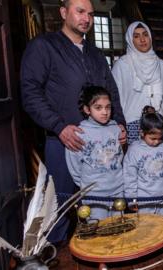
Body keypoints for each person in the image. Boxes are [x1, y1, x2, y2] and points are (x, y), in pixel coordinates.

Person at [20, 0, 126, 243]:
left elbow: (111, 91)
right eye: (80, 11)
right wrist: (59, 126)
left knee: (105, 207)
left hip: (102, 146)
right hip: (64, 142)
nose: (86, 18)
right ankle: (55, 257)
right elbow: (30, 92)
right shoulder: (44, 46)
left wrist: (118, 122)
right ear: (63, 12)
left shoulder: (95, 53)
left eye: (90, 13)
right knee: (58, 209)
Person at [112, 21, 163, 144]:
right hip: (132, 126)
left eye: (145, 34)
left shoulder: (162, 65)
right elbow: (116, 99)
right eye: (136, 36)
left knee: (159, 163)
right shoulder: (122, 65)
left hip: (160, 124)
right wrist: (118, 127)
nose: (142, 40)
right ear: (130, 40)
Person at [65, 86, 124, 220]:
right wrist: (86, 187)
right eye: (98, 108)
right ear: (87, 109)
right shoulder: (79, 133)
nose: (104, 112)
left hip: (117, 189)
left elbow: (119, 156)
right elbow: (74, 165)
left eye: (108, 107)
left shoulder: (115, 128)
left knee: (119, 227)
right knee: (97, 231)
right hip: (93, 194)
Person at [123, 106, 163, 216]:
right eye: (153, 138)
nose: (157, 142)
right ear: (142, 133)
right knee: (146, 227)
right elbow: (129, 177)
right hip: (143, 199)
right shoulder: (134, 150)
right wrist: (131, 198)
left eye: (160, 138)